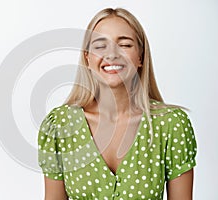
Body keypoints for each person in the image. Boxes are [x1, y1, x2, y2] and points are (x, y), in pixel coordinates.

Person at [37, 7, 197, 200]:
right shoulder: (59, 126)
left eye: (125, 44)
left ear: (140, 57)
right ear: (87, 57)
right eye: (100, 46)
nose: (112, 54)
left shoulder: (171, 125)